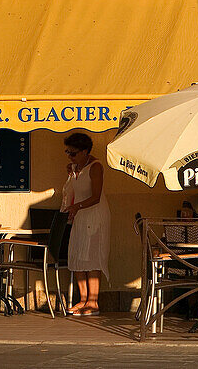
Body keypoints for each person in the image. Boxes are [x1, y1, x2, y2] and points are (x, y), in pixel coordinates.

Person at [62, 132, 110, 316]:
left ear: (84, 152)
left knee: (93, 257)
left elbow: (96, 197)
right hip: (80, 215)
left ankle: (93, 301)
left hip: (94, 215)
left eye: (73, 153)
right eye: (68, 152)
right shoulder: (75, 167)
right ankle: (82, 300)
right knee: (77, 255)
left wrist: (77, 206)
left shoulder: (95, 167)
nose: (69, 156)